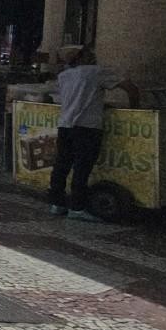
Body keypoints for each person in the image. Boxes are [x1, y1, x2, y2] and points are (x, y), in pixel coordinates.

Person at [48, 45, 140, 221]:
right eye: (89, 54)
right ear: (81, 57)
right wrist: (135, 110)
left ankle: (57, 204)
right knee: (82, 168)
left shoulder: (64, 76)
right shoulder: (96, 72)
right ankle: (77, 208)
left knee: (61, 165)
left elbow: (74, 98)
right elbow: (130, 88)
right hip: (87, 128)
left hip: (65, 126)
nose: (93, 56)